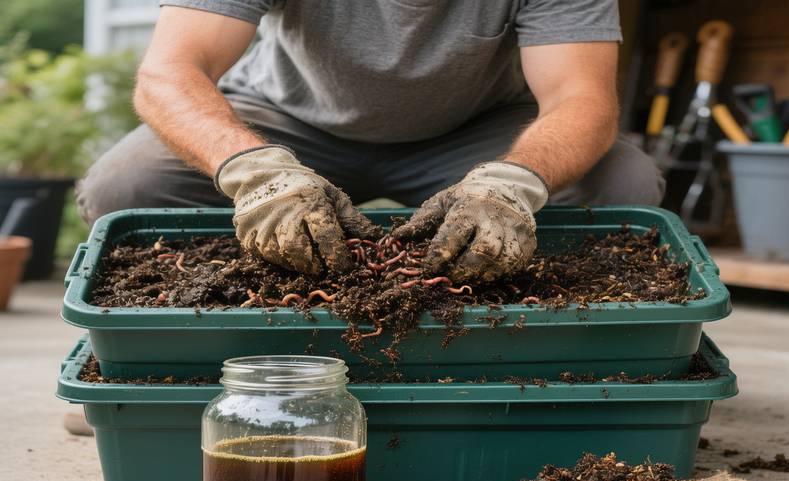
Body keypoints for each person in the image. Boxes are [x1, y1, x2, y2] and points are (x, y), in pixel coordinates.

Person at [77, 1, 664, 283]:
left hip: (477, 132)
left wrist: (514, 183)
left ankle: (559, 358)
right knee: (128, 186)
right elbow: (170, 72)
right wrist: (253, 170)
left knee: (623, 185)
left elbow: (581, 99)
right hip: (286, 117)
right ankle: (152, 368)